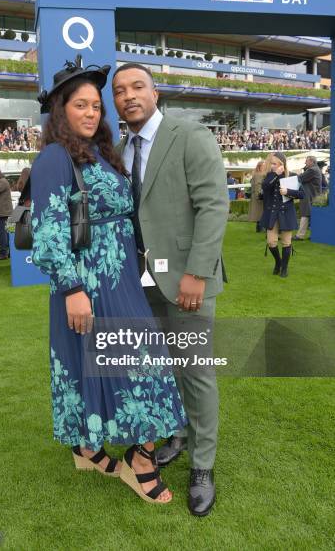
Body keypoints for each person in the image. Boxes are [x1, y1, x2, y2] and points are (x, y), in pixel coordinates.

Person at [31, 58, 186, 505]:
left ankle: (93, 448)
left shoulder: (102, 153)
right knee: (134, 365)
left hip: (122, 278)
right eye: (80, 105)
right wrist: (72, 290)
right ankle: (135, 461)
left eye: (96, 106)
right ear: (61, 111)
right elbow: (48, 234)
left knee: (136, 364)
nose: (92, 113)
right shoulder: (53, 158)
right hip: (87, 285)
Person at [112, 62, 229, 517]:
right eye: (120, 91)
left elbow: (213, 205)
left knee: (195, 370)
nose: (129, 96)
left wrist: (197, 272)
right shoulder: (120, 148)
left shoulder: (190, 135)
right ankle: (177, 434)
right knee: (161, 369)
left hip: (186, 281)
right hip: (140, 283)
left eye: (137, 86)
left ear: (154, 92)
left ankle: (203, 466)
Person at [259, 152, 304, 278]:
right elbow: (265, 186)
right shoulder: (269, 176)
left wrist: (288, 191)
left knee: (286, 242)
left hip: (286, 213)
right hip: (271, 213)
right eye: (271, 163)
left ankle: (284, 267)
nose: (272, 166)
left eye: (274, 163)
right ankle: (278, 262)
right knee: (271, 242)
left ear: (282, 164)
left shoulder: (293, 176)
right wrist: (276, 174)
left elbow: (302, 194)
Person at [294, 155, 322, 241]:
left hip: (310, 195)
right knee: (311, 215)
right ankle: (316, 235)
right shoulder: (315, 169)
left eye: (306, 161)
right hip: (313, 195)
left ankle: (300, 235)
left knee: (305, 214)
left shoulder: (312, 170)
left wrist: (289, 174)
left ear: (311, 162)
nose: (305, 163)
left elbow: (300, 178)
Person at [248, 161, 266, 232]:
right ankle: (260, 228)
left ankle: (259, 228)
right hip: (258, 195)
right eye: (263, 165)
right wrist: (259, 195)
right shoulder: (259, 174)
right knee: (260, 212)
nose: (265, 167)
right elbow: (257, 185)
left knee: (259, 212)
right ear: (260, 166)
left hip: (256, 195)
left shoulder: (255, 174)